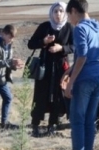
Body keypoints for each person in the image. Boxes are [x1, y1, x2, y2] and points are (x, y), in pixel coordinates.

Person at [60, 0, 99, 150]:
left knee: (78, 120)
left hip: (84, 79)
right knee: (89, 120)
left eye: (68, 14)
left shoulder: (79, 28)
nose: (68, 19)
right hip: (98, 75)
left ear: (73, 11)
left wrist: (71, 82)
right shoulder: (98, 27)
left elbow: (83, 57)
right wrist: (69, 70)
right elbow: (91, 56)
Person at [27, 2, 74, 137]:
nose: (58, 14)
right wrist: (44, 42)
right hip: (45, 65)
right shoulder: (44, 27)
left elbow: (75, 46)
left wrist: (62, 48)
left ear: (65, 13)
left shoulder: (69, 28)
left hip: (61, 66)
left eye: (61, 11)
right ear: (51, 13)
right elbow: (31, 44)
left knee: (59, 95)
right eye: (55, 11)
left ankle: (52, 125)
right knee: (41, 94)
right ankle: (35, 124)